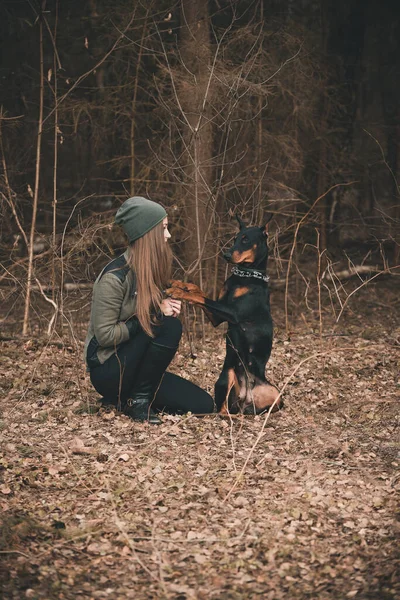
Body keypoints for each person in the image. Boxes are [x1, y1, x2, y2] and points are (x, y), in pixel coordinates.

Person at [84, 196, 214, 424]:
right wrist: (154, 315)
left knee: (204, 404)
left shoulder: (148, 271)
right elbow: (105, 336)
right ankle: (138, 402)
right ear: (148, 233)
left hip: (138, 370)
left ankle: (128, 399)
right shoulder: (114, 279)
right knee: (169, 325)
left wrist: (167, 306)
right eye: (164, 228)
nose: (168, 235)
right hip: (109, 371)